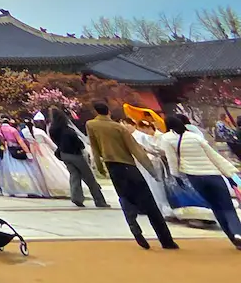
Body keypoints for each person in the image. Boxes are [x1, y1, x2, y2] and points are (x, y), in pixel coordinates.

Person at [86, 101, 178, 250]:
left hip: (112, 167)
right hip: (128, 166)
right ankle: (166, 240)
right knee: (150, 204)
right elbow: (136, 150)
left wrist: (98, 165)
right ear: (108, 111)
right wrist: (151, 171)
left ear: (96, 111)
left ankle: (134, 227)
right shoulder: (118, 128)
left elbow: (94, 146)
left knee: (125, 198)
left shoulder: (91, 125)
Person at [159, 114, 241, 246]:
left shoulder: (167, 139)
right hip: (213, 174)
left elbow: (172, 159)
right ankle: (238, 232)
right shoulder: (195, 137)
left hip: (194, 177)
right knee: (227, 206)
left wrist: (176, 175)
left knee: (215, 206)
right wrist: (229, 173)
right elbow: (214, 156)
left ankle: (232, 237)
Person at [48, 107, 107, 208]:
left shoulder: (52, 130)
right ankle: (99, 200)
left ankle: (76, 197)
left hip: (63, 154)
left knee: (74, 175)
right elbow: (78, 143)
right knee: (89, 177)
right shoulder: (68, 131)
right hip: (75, 154)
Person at [0, 115, 47, 198]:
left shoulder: (0, 130)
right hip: (16, 149)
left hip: (8, 151)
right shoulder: (13, 130)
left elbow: (2, 141)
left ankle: (12, 189)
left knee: (10, 170)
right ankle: (25, 188)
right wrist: (27, 152)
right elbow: (20, 141)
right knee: (23, 169)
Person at [23, 114, 72, 198]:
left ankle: (41, 189)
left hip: (33, 151)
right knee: (52, 167)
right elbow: (50, 142)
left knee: (38, 169)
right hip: (44, 150)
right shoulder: (40, 132)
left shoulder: (24, 131)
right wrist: (56, 150)